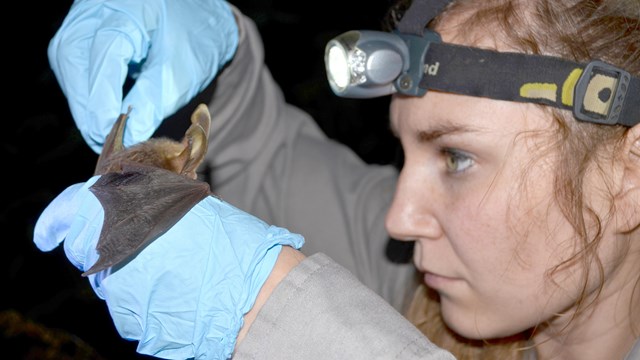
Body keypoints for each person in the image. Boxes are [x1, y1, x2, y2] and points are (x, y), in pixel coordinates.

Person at [36, 0, 639, 359]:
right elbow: (267, 160)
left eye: (456, 157)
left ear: (627, 176)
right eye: (407, 151)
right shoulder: (415, 284)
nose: (399, 218)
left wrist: (280, 316)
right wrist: (214, 65)